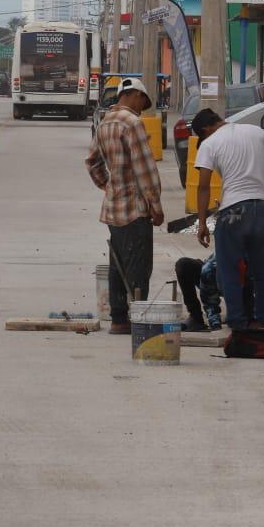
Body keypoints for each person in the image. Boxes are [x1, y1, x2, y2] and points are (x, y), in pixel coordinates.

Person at [85, 77, 163, 335]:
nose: (143, 108)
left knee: (118, 263)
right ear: (135, 95)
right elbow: (144, 167)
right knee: (139, 264)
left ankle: (119, 318)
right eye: (143, 102)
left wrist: (109, 187)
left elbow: (92, 163)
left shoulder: (105, 123)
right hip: (134, 209)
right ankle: (139, 318)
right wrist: (155, 203)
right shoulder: (132, 123)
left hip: (113, 208)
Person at [192, 107, 264, 329]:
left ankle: (238, 324)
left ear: (205, 129)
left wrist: (202, 223)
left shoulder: (209, 144)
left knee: (228, 269)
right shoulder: (256, 131)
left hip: (233, 210)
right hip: (262, 207)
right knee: (261, 269)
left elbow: (203, 187)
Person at [175, 253, 254, 333]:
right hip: (217, 272)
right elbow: (209, 300)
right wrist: (215, 326)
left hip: (243, 279)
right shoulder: (209, 271)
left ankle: (239, 314)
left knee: (244, 322)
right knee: (183, 265)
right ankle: (196, 318)